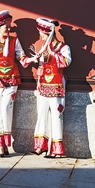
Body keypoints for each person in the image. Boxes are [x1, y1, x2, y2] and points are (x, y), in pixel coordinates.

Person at [0, 9, 31, 158]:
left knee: (6, 108)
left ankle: (6, 142)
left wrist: (32, 59)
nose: (9, 28)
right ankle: (0, 145)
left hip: (12, 79)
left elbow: (22, 57)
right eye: (6, 26)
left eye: (9, 25)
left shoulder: (14, 41)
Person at [30, 17, 72, 158]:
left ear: (49, 34)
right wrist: (38, 81)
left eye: (42, 35)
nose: (41, 37)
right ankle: (40, 146)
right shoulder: (43, 48)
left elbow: (66, 62)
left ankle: (55, 149)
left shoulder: (64, 48)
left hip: (57, 84)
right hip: (43, 84)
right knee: (41, 114)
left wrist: (53, 53)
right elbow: (41, 66)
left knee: (56, 115)